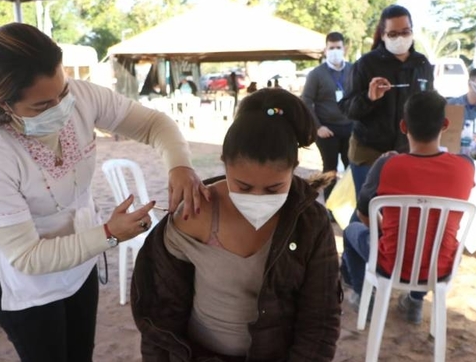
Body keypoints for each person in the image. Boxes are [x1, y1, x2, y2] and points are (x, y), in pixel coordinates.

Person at [0, 23, 209, 362]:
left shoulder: (83, 97)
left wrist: (180, 165)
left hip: (80, 266)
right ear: (4, 103)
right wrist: (108, 235)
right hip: (27, 288)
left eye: (62, 93)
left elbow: (154, 125)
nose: (61, 109)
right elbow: (27, 256)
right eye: (41, 106)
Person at [131, 88, 342, 361]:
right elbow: (160, 311)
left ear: (294, 169)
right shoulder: (196, 213)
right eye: (242, 186)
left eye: (274, 188)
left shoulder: (310, 223)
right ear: (224, 165)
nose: (257, 198)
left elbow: (320, 319)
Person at [341, 91, 474, 324]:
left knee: (351, 230)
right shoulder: (465, 166)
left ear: (403, 126)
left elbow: (364, 213)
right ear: (445, 125)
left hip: (390, 263)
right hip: (441, 266)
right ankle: (414, 301)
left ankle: (366, 297)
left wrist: (386, 230)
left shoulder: (387, 164)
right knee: (432, 238)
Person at [340, 4, 434, 197]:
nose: (400, 38)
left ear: (412, 31)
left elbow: (428, 103)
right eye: (393, 34)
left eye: (405, 32)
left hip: (408, 150)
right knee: (368, 208)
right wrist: (369, 98)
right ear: (383, 35)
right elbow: (347, 108)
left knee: (400, 210)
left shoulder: (422, 64)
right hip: (369, 152)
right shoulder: (366, 64)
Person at [302, 31, 353, 202]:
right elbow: (306, 101)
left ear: (344, 48)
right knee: (330, 169)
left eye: (338, 47)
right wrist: (317, 127)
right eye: (331, 48)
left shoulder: (353, 70)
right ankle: (330, 206)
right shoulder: (316, 74)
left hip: (350, 128)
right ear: (325, 50)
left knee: (352, 169)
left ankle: (349, 205)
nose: (335, 51)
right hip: (326, 130)